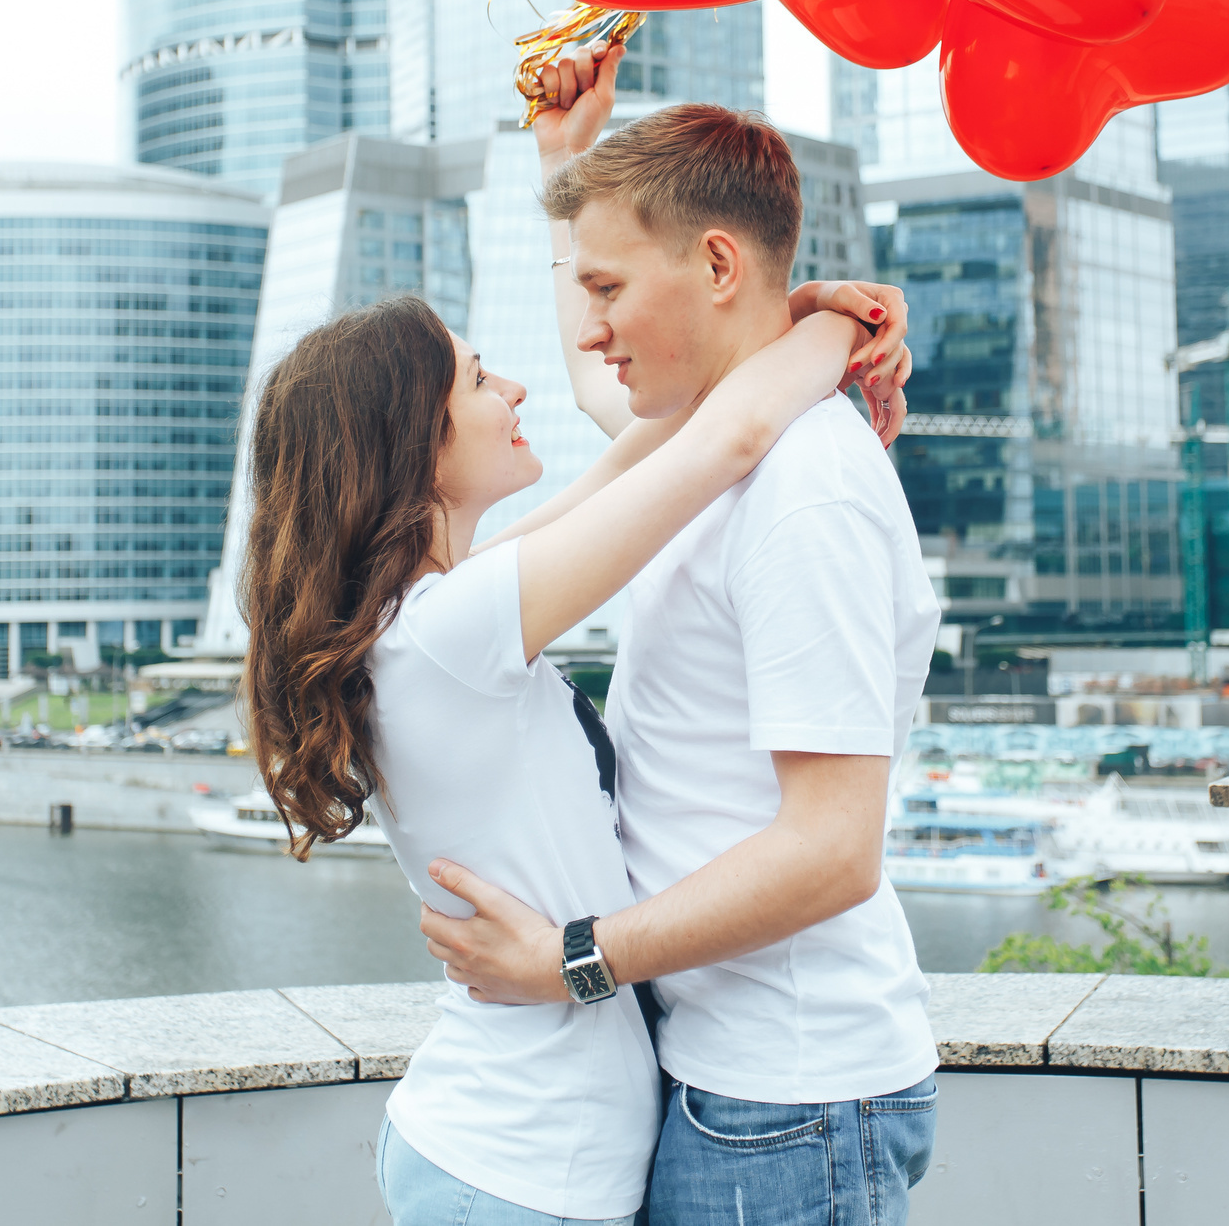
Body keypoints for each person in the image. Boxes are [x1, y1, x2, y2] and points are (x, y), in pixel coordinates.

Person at [241, 262, 911, 1222]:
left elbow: (630, 460)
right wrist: (841, 331)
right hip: (518, 1172)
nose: (513, 390)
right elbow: (727, 438)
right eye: (477, 379)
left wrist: (778, 319)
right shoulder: (448, 629)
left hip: (505, 1155)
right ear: (412, 446)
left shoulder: (427, 620)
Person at [418, 47, 947, 1226]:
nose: (592, 329)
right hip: (729, 1076)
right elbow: (607, 391)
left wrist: (573, 958)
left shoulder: (802, 480)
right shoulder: (711, 435)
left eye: (609, 290)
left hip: (787, 1099)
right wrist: (563, 159)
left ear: (717, 264)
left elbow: (832, 850)